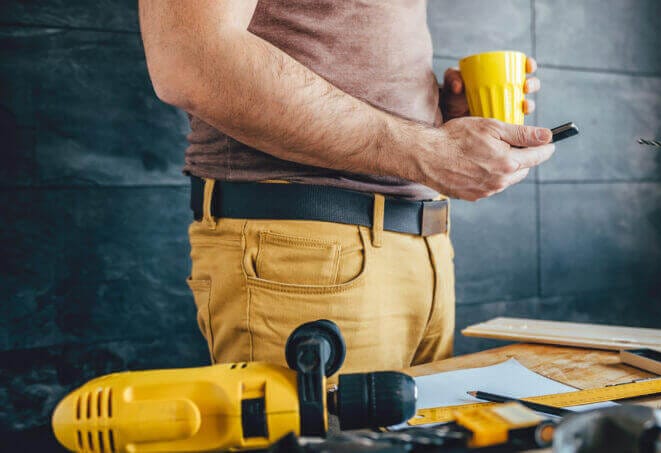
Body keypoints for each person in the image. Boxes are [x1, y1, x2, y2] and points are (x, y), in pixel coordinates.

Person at [138, 0, 553, 374]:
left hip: (422, 251)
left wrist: (434, 117)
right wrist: (423, 148)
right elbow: (189, 57)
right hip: (305, 251)